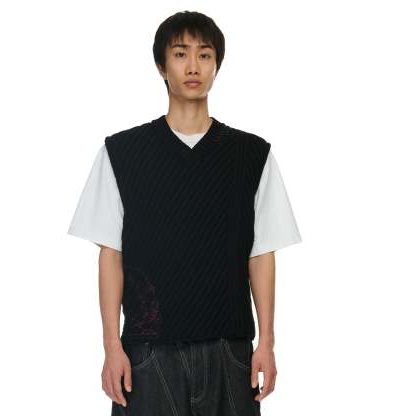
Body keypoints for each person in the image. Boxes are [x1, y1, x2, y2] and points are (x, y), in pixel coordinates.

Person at [67, 10, 302, 416]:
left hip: (230, 349)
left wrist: (267, 341)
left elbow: (261, 253)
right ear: (162, 66)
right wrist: (111, 347)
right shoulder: (122, 153)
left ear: (216, 65)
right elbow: (110, 255)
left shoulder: (251, 155)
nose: (193, 66)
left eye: (204, 55)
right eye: (180, 54)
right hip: (147, 352)